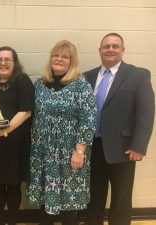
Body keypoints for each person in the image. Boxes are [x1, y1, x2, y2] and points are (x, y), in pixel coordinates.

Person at [85, 33, 155, 225]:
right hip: (92, 148)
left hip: (123, 149)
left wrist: (139, 146)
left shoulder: (138, 75)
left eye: (115, 46)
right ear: (100, 51)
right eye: (106, 46)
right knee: (93, 197)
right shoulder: (87, 76)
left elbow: (146, 114)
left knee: (121, 201)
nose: (111, 49)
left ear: (123, 50)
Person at [27, 40, 96, 225]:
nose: (59, 59)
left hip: (70, 152)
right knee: (45, 202)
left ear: (71, 61)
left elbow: (89, 120)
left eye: (64, 56)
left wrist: (79, 151)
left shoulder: (81, 85)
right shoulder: (40, 84)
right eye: (55, 55)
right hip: (43, 152)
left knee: (69, 205)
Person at [0, 46, 34, 225]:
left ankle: (12, 221)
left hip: (15, 143)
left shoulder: (22, 81)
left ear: (14, 63)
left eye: (7, 59)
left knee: (13, 184)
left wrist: (4, 131)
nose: (3, 63)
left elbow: (26, 112)